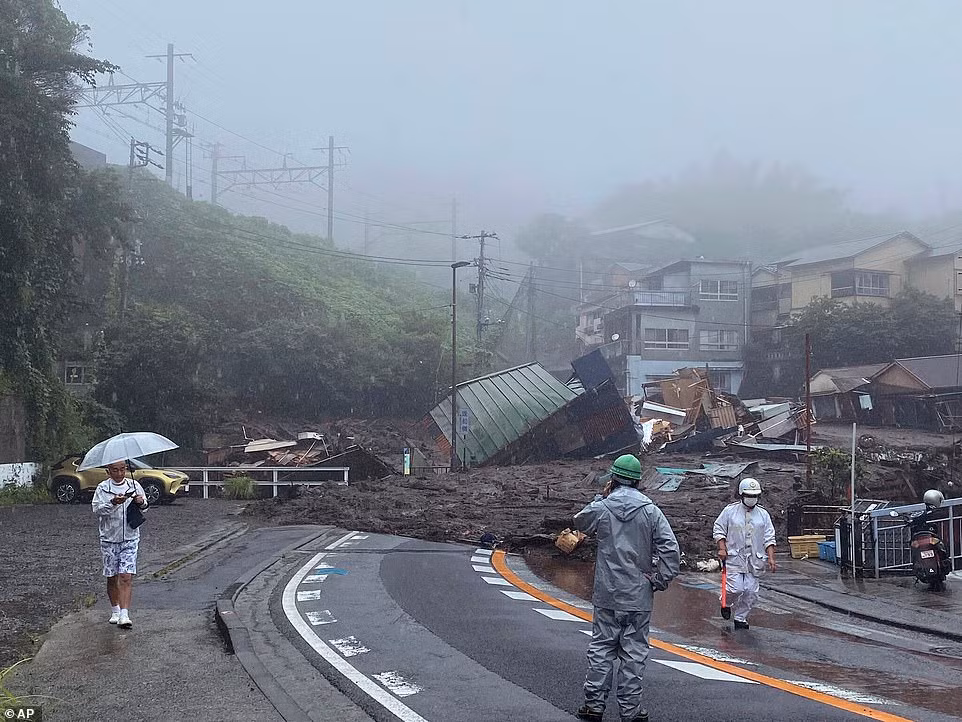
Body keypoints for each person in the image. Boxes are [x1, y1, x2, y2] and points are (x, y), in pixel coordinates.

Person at [573, 454, 680, 722]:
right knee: (634, 655)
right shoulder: (651, 511)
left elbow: (580, 522)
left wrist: (600, 498)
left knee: (601, 649)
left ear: (613, 479)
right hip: (638, 595)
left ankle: (594, 706)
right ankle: (630, 712)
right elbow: (671, 549)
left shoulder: (603, 507)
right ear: (637, 481)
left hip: (607, 593)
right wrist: (659, 579)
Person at [712, 477, 777, 630]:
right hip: (734, 557)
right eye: (748, 495)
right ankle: (726, 603)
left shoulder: (763, 515)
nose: (751, 498)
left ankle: (741, 617)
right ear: (741, 494)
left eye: (754, 496)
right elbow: (719, 529)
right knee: (735, 588)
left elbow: (769, 537)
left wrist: (772, 558)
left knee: (751, 592)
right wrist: (722, 548)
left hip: (755, 560)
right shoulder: (730, 512)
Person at [92, 460, 148, 629]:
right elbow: (97, 509)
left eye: (122, 469)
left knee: (126, 575)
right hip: (109, 538)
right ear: (108, 471)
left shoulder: (134, 484)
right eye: (115, 470)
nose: (119, 473)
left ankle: (125, 614)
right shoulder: (103, 488)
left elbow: (145, 507)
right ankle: (115, 609)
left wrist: (140, 502)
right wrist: (112, 503)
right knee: (112, 576)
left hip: (130, 537)